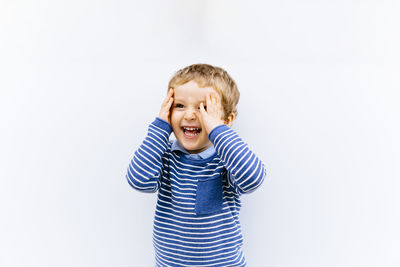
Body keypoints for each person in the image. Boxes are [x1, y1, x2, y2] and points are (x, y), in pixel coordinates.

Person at [126, 63, 267, 266]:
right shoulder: (164, 155)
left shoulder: (228, 160)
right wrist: (160, 128)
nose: (190, 115)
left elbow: (253, 178)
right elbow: (138, 181)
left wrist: (218, 130)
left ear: (226, 122)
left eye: (204, 108)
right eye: (180, 106)